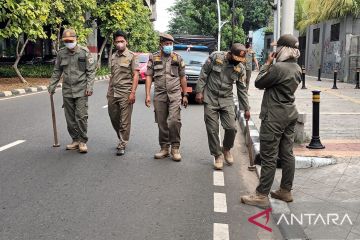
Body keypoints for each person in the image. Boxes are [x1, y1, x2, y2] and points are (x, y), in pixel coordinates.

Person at [241, 34, 302, 207]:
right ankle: (285, 190)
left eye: (277, 48)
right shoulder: (296, 68)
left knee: (269, 156)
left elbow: (259, 82)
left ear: (283, 49)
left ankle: (261, 195)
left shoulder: (278, 68)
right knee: (287, 153)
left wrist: (267, 64)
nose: (274, 50)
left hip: (274, 117)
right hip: (290, 114)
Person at [195, 43, 250, 170]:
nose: (238, 63)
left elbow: (242, 89)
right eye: (236, 59)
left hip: (227, 99)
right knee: (212, 129)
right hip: (210, 98)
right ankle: (217, 155)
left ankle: (226, 149)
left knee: (231, 127)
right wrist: (199, 91)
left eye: (240, 61)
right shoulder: (216, 57)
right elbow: (204, 73)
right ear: (230, 54)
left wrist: (246, 108)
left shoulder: (240, 68)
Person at [48, 28, 96, 153]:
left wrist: (89, 87)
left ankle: (82, 141)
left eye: (71, 40)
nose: (68, 42)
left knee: (81, 116)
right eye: (66, 41)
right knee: (69, 118)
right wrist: (52, 86)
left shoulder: (84, 52)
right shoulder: (61, 53)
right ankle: (75, 140)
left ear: (76, 39)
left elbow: (91, 71)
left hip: (81, 89)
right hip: (67, 90)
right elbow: (57, 71)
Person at [145, 33, 188, 162]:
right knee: (162, 122)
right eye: (166, 44)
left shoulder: (178, 58)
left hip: (175, 94)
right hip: (159, 94)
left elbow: (182, 77)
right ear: (161, 45)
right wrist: (147, 95)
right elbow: (148, 76)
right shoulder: (154, 57)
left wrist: (185, 94)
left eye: (170, 44)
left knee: (174, 121)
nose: (169, 46)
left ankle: (175, 147)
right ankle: (164, 148)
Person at [107, 30, 139, 156]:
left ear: (126, 42)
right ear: (114, 43)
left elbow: (135, 75)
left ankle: (122, 142)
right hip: (113, 92)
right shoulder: (113, 56)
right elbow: (112, 75)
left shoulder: (132, 56)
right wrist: (108, 91)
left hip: (126, 92)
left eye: (122, 41)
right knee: (113, 117)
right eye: (117, 42)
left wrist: (133, 93)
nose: (119, 44)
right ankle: (120, 135)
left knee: (125, 120)